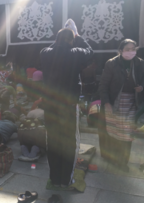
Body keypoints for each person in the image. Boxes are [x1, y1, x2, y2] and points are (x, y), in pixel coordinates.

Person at [40, 28, 93, 188]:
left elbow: (53, 47)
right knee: (70, 140)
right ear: (72, 40)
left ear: (56, 40)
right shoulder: (76, 52)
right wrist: (78, 37)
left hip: (50, 104)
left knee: (53, 140)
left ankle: (54, 178)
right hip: (69, 105)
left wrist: (60, 39)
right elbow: (90, 52)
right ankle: (66, 179)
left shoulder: (45, 52)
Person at [98, 39, 144, 172]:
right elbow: (103, 85)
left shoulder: (139, 63)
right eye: (128, 49)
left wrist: (142, 87)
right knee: (114, 132)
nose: (131, 52)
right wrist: (106, 102)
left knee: (127, 133)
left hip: (132, 101)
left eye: (133, 49)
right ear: (120, 50)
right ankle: (113, 159)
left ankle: (123, 162)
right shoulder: (112, 63)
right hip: (115, 101)